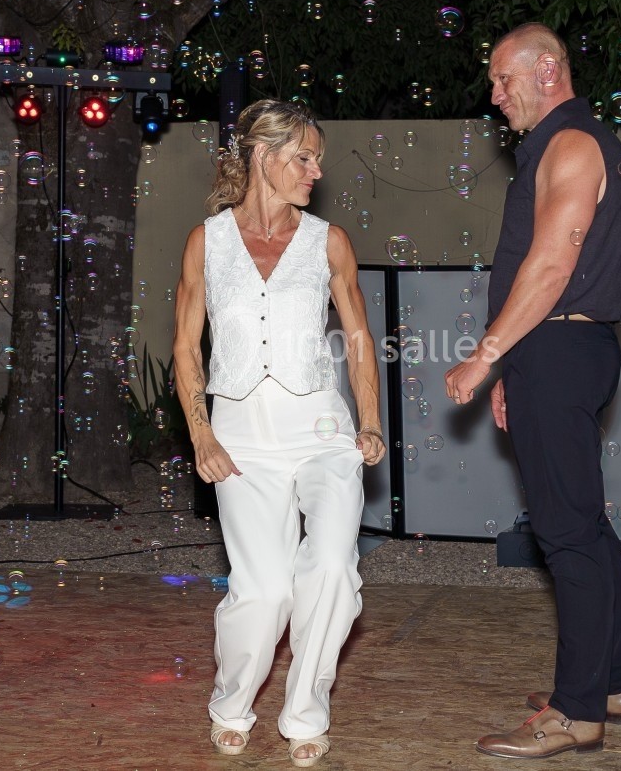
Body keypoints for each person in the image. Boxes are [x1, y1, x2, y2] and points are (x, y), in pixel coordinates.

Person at [172, 99, 385, 768]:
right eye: (304, 157)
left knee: (329, 571)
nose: (316, 170)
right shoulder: (207, 241)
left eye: (316, 158)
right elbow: (184, 348)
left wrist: (371, 422)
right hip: (241, 437)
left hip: (323, 429)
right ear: (264, 157)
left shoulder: (330, 241)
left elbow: (356, 339)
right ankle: (232, 703)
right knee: (262, 592)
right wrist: (201, 435)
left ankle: (304, 712)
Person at [444, 23, 621, 758]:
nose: (495, 96)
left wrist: (488, 356)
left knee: (565, 533)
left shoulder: (573, 144)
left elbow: (552, 268)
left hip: (559, 346)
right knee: (587, 523)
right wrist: (516, 369)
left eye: (503, 79)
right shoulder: (568, 144)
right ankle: (611, 683)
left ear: (548, 68)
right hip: (557, 352)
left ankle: (576, 710)